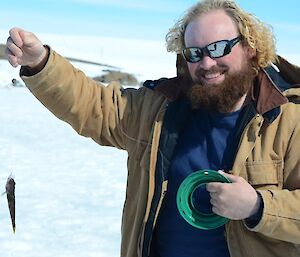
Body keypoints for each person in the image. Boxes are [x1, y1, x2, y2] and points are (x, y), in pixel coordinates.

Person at [5, 0, 300, 256]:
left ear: (250, 47)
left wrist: (258, 207)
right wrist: (41, 63)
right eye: (194, 53)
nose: (207, 62)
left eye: (219, 48)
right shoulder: (161, 109)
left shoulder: (288, 119)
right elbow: (94, 105)